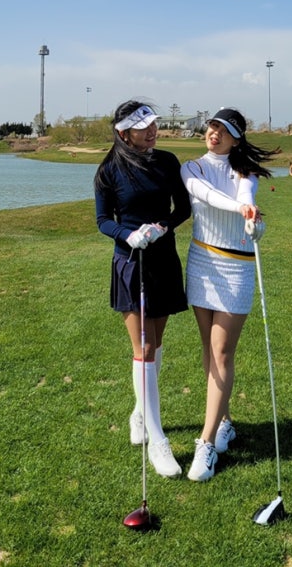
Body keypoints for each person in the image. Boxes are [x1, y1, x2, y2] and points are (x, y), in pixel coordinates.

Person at [94, 100, 191, 478]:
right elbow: (103, 220)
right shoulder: (109, 170)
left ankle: (139, 413)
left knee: (157, 343)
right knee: (145, 348)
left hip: (163, 258)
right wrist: (128, 234)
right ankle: (158, 440)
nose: (152, 131)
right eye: (142, 127)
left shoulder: (167, 161)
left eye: (153, 124)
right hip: (131, 262)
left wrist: (163, 227)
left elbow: (182, 208)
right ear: (123, 133)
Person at [181, 107, 275, 482]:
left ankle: (205, 444)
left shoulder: (244, 172)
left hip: (236, 267)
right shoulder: (192, 168)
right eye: (212, 126)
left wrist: (253, 222)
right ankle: (225, 422)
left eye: (224, 130)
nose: (214, 133)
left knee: (221, 352)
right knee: (208, 350)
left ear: (237, 139)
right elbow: (204, 195)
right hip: (202, 263)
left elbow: (245, 193)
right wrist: (241, 208)